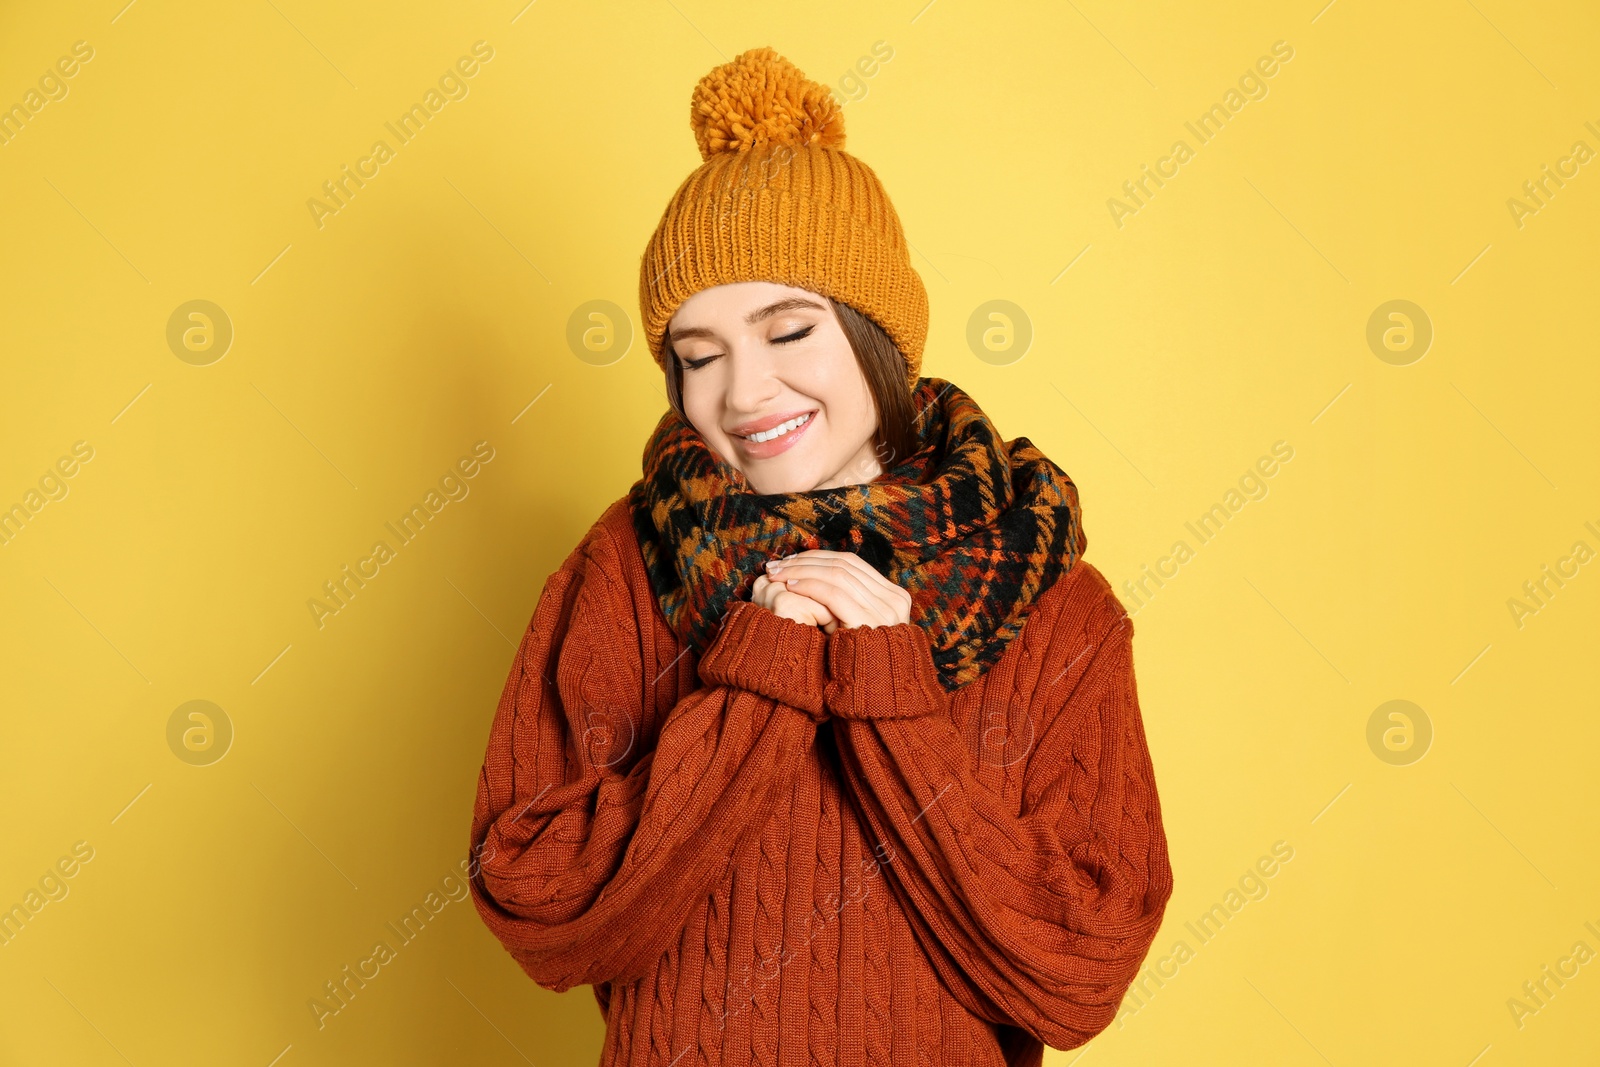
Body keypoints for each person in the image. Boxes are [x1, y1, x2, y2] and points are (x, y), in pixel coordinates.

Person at [467, 45, 1173, 1067]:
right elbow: (537, 899)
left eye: (788, 330)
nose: (743, 394)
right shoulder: (628, 559)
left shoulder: (1050, 598)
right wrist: (758, 677)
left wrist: (889, 689)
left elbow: (1079, 974)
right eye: (697, 356)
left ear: (878, 333)